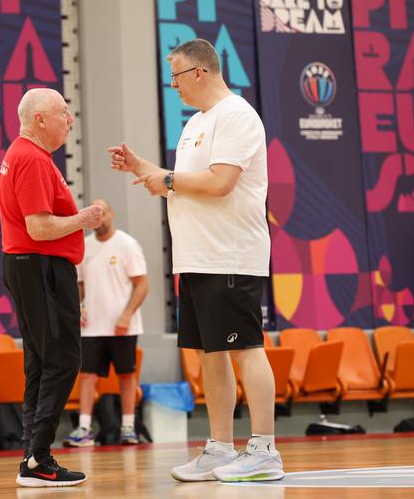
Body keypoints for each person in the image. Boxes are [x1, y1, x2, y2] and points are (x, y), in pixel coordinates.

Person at [108, 38, 284, 483]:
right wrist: (140, 167)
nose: (174, 86)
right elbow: (184, 182)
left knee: (245, 349)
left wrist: (164, 177)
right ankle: (220, 448)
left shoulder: (237, 116)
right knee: (212, 353)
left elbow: (221, 182)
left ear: (200, 73)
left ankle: (264, 450)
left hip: (231, 255)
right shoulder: (196, 124)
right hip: (198, 256)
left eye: (177, 76)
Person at [0, 88, 103, 487]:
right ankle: (38, 457)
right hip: (38, 265)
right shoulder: (31, 159)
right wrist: (84, 219)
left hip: (31, 266)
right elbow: (39, 227)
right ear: (40, 119)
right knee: (61, 360)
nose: (70, 119)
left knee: (43, 362)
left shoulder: (27, 156)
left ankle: (33, 455)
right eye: (63, 112)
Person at [63, 199, 148, 447]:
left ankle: (128, 427)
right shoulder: (84, 247)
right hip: (92, 326)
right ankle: (84, 428)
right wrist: (77, 308)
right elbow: (79, 285)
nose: (98, 216)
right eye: (92, 212)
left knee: (126, 376)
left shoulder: (127, 244)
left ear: (111, 214)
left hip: (123, 326)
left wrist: (126, 315)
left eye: (101, 211)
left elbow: (142, 284)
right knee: (87, 376)